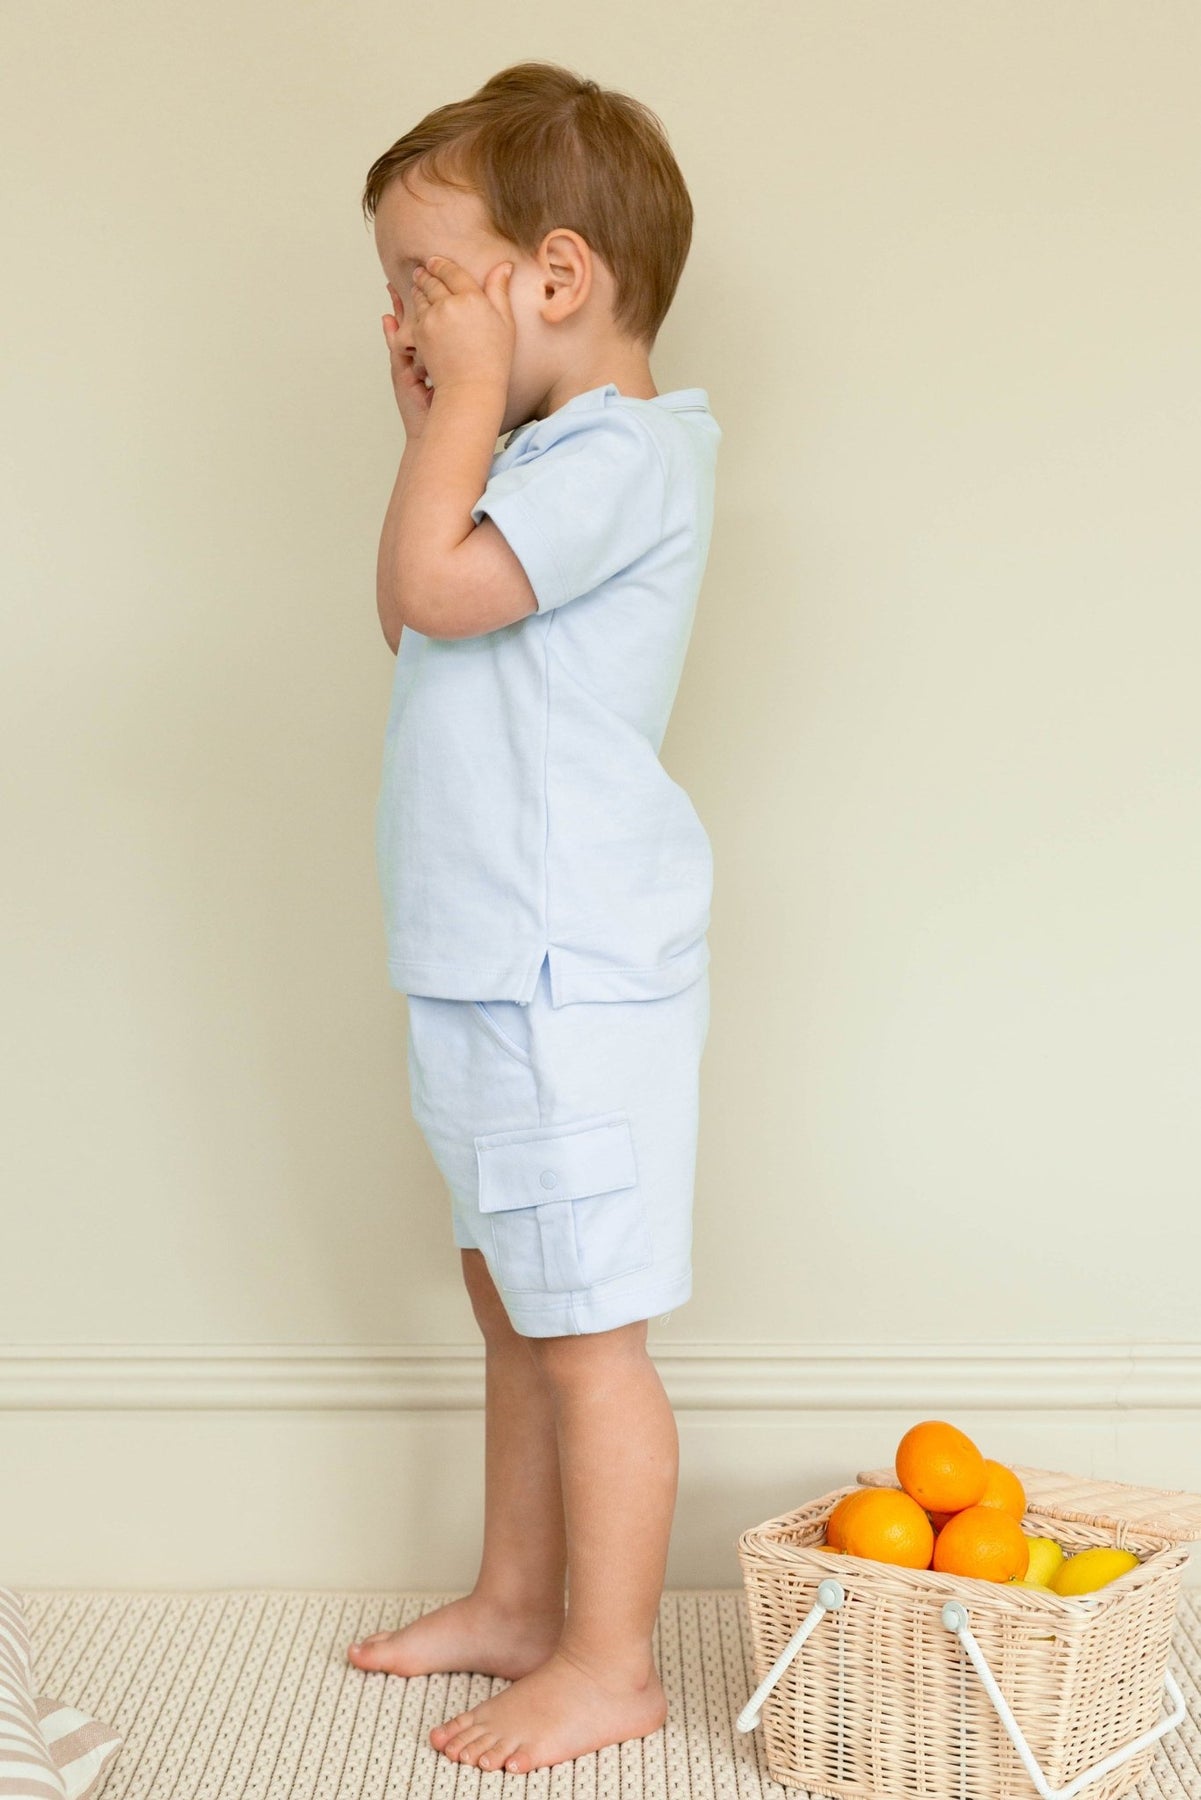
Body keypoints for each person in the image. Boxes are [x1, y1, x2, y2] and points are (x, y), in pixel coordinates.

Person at [347, 60, 722, 1774]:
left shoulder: (622, 456)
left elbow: (428, 589)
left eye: (427, 282)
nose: (401, 319)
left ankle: (608, 1662)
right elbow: (420, 611)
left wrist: (457, 417)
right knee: (517, 1305)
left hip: (564, 973)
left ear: (553, 278)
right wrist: (440, 422)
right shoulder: (541, 464)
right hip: (491, 960)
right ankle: (516, 1601)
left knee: (586, 1338)